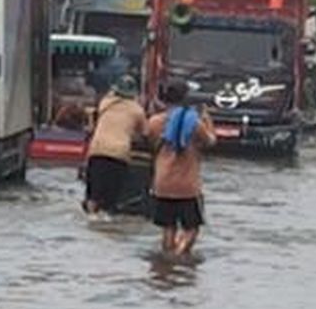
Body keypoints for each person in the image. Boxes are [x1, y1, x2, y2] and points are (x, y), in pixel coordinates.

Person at [147, 79, 217, 256]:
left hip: (162, 185)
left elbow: (147, 138)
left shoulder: (155, 122)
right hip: (187, 187)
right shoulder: (194, 123)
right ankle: (177, 259)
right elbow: (210, 141)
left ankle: (166, 261)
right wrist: (208, 120)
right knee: (192, 229)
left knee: (168, 227)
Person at [84, 75, 147, 214]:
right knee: (110, 198)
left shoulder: (105, 103)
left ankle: (91, 220)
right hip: (118, 155)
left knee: (93, 195)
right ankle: (108, 221)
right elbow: (144, 134)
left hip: (97, 151)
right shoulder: (137, 111)